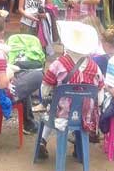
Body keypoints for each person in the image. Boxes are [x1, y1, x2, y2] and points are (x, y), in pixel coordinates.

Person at [37, 21, 104, 160]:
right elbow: (100, 95)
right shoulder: (95, 67)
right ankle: (79, 147)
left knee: (52, 107)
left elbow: (45, 89)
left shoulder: (58, 64)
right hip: (85, 116)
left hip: (62, 114)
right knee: (80, 107)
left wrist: (47, 97)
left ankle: (42, 140)